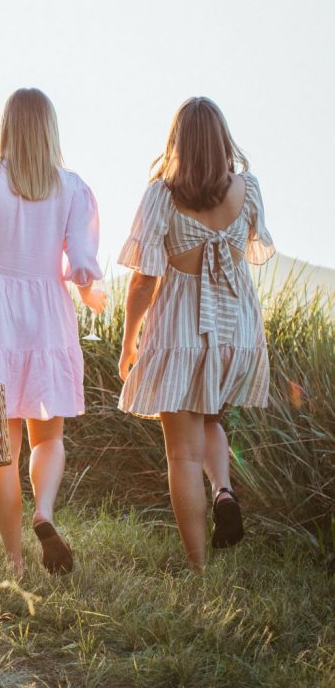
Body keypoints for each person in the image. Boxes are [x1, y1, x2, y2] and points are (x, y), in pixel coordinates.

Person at [0, 88, 106, 576]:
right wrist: (89, 292)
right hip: (47, 318)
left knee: (0, 454)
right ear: (50, 129)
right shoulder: (72, 189)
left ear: (6, 126)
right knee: (48, 437)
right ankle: (44, 511)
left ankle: (15, 563)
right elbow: (83, 266)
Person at [117, 97, 275, 573]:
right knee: (207, 415)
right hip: (235, 332)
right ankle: (224, 491)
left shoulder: (161, 195)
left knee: (181, 453)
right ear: (222, 140)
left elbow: (144, 280)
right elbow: (245, 252)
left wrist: (129, 341)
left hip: (183, 330)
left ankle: (198, 569)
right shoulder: (248, 190)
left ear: (178, 142)